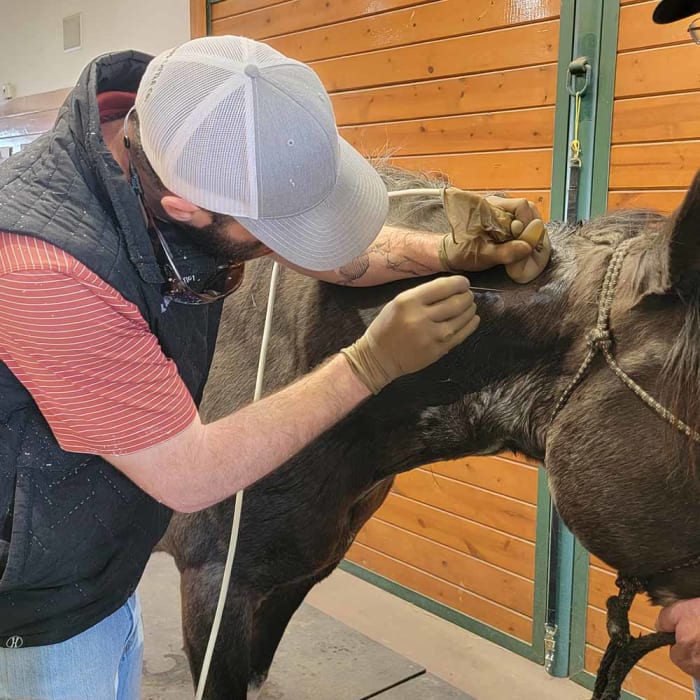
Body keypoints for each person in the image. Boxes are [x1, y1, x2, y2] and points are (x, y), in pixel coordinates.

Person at [0, 35, 537, 699]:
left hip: (97, 561)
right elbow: (189, 475)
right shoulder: (48, 272)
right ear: (186, 210)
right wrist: (368, 365)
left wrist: (447, 250)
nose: (284, 246)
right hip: (33, 610)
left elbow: (326, 252)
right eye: (273, 231)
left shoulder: (175, 144)